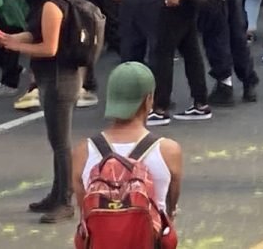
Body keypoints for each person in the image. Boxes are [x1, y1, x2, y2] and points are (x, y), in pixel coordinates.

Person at [0, 0, 81, 223]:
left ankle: (65, 200)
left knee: (61, 143)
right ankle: (57, 194)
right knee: (57, 141)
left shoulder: (52, 6)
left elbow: (48, 47)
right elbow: (35, 34)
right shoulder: (49, 1)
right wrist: (9, 39)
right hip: (55, 77)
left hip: (58, 78)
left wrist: (16, 47)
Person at [72, 62, 183, 219]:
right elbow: (170, 209)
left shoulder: (83, 151)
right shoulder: (168, 150)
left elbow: (85, 211)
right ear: (149, 100)